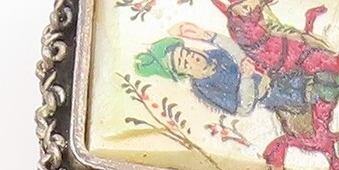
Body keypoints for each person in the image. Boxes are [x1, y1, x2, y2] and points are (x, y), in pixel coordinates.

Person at [132, 24, 309, 117]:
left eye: (188, 53)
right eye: (185, 63)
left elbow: (237, 54)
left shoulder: (213, 56)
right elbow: (243, 109)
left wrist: (208, 36)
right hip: (271, 95)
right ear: (184, 73)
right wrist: (246, 79)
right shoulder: (204, 88)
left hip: (275, 75)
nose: (192, 59)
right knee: (311, 92)